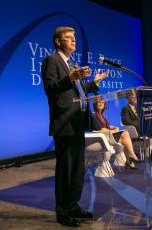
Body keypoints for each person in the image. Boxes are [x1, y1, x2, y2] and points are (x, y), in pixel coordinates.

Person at [41, 26, 109, 227]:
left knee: (78, 169)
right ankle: (62, 211)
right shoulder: (52, 61)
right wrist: (70, 78)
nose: (73, 41)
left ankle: (73, 205)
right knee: (66, 169)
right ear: (57, 41)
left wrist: (93, 83)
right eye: (68, 38)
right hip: (64, 122)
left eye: (74, 38)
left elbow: (77, 92)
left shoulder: (71, 63)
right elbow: (50, 88)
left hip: (77, 121)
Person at [92, 99, 141, 169]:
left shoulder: (102, 116)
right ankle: (131, 158)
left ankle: (130, 160)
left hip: (108, 136)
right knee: (125, 135)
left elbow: (107, 126)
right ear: (95, 104)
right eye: (99, 102)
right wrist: (114, 131)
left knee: (125, 136)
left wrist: (114, 127)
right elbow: (100, 129)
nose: (101, 104)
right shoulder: (94, 115)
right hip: (102, 138)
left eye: (102, 102)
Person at [121, 92, 152, 162]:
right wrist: (140, 124)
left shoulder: (138, 107)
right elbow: (126, 121)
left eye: (135, 97)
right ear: (128, 99)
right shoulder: (125, 108)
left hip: (145, 129)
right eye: (132, 97)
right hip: (136, 130)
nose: (135, 98)